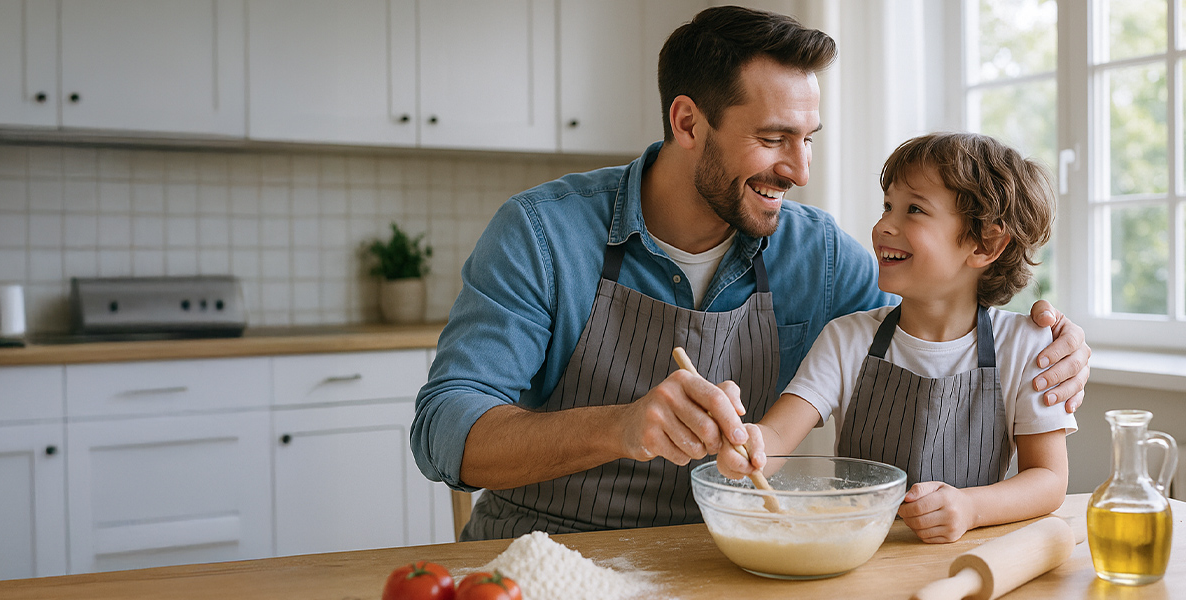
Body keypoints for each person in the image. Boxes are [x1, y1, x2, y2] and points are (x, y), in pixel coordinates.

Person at [412, 5, 1091, 542]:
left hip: (725, 558)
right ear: (687, 122)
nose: (798, 170)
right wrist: (621, 427)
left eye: (808, 140)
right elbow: (445, 432)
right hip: (545, 551)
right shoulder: (543, 233)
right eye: (772, 139)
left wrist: (1055, 341)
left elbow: (935, 308)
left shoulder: (817, 254)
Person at [718, 132, 1075, 543]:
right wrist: (745, 443)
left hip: (969, 558)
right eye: (888, 206)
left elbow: (1048, 479)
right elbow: (777, 436)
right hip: (859, 556)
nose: (884, 224)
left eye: (915, 209)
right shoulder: (847, 339)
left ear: (986, 244)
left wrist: (971, 508)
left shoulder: (1025, 346)